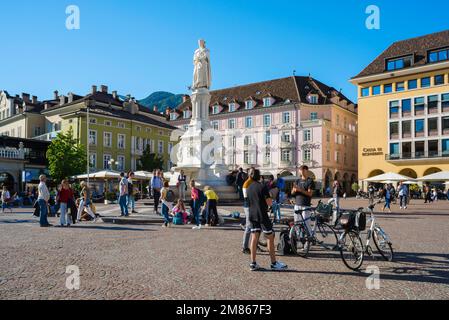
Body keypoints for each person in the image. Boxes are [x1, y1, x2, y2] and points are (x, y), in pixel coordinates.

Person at [246, 168, 288, 272]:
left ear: (250, 176)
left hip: (252, 214)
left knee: (254, 238)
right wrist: (271, 201)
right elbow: (269, 202)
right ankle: (273, 263)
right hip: (262, 214)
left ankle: (253, 263)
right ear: (259, 176)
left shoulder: (248, 187)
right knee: (270, 237)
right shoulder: (262, 186)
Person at [291, 165, 315, 235]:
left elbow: (310, 194)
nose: (302, 172)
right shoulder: (297, 181)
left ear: (307, 171)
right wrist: (294, 190)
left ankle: (309, 238)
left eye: (304, 170)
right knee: (297, 223)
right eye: (301, 170)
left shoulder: (310, 181)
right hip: (297, 205)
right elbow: (292, 192)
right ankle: (299, 237)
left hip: (306, 205)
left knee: (306, 224)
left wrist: (300, 190)